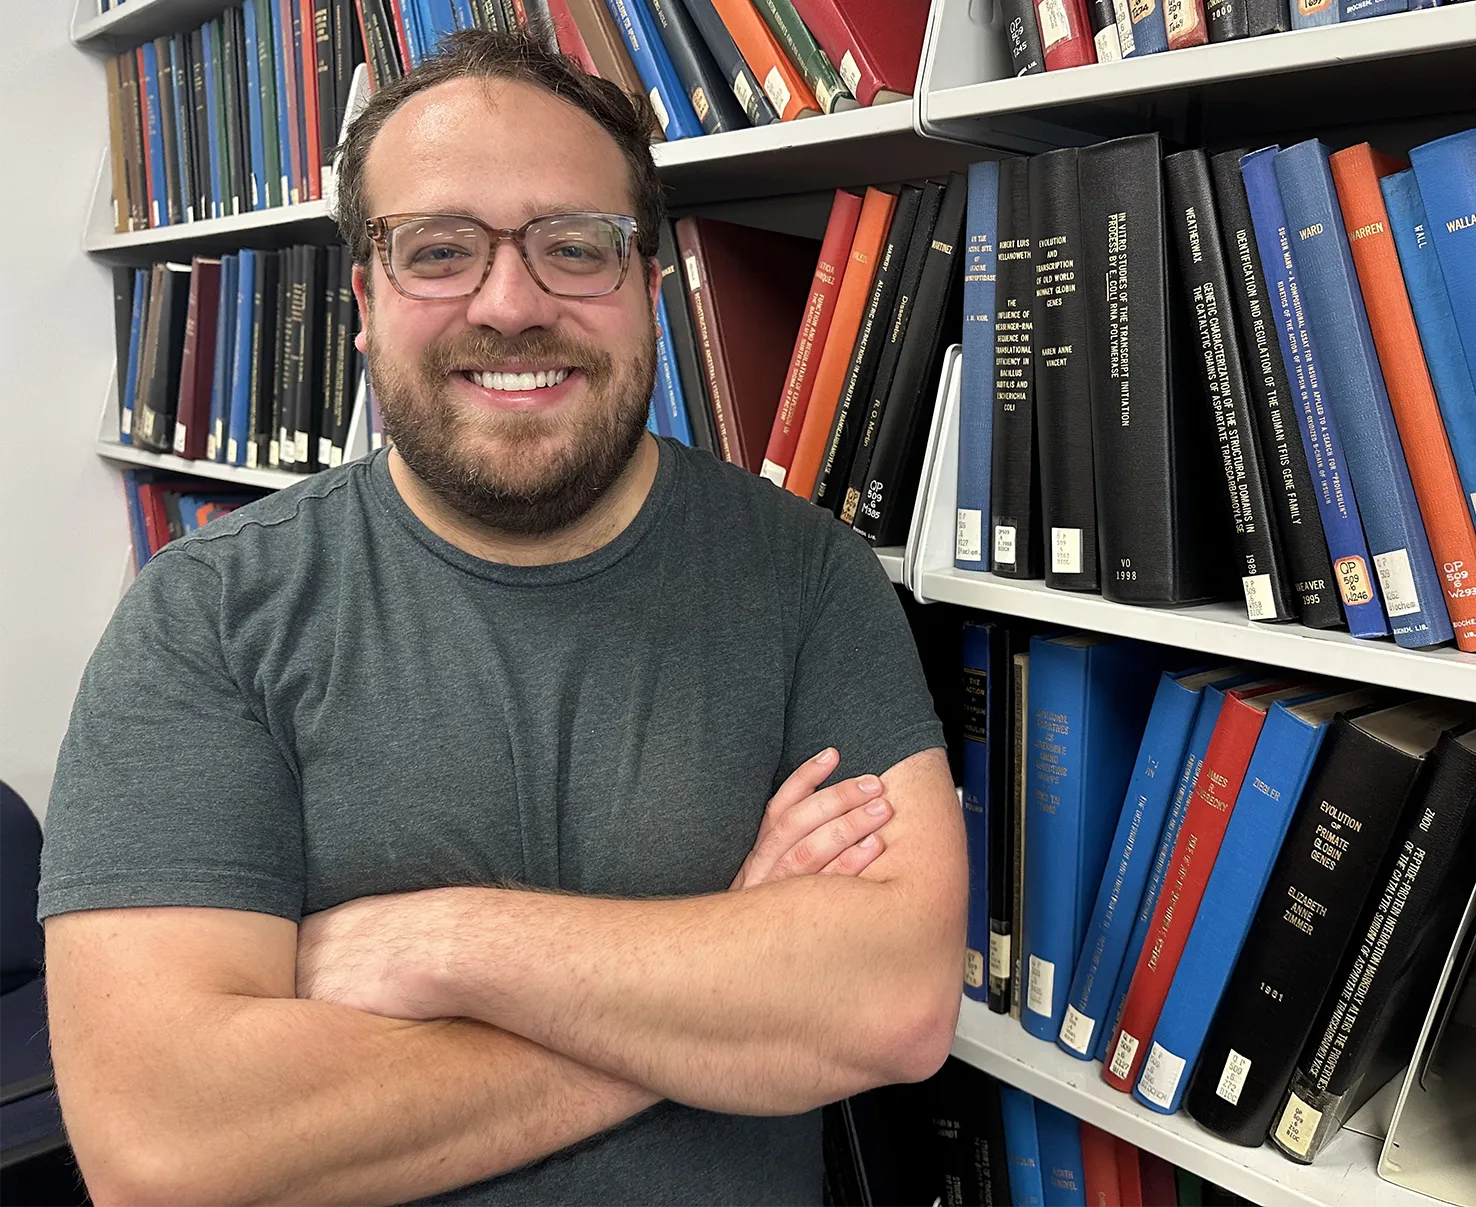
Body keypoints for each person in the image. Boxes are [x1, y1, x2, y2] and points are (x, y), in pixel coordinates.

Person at [39, 28, 966, 1207]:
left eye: (575, 245)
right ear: (366, 301)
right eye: (439, 250)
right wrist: (721, 982)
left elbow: (890, 1008)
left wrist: (438, 946)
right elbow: (168, 1149)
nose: (512, 303)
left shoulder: (808, 577)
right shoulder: (206, 618)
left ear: (646, 283)